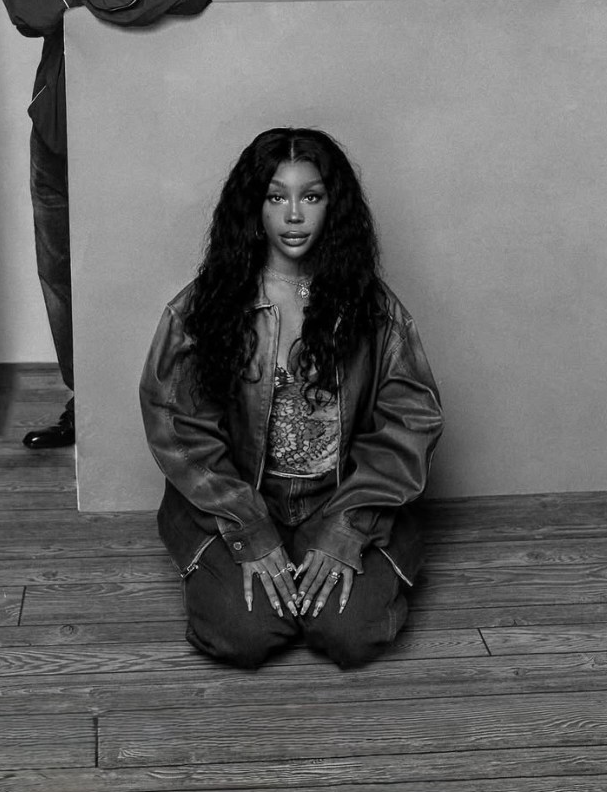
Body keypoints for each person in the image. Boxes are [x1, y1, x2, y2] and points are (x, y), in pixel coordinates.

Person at [140, 128, 444, 669]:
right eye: (276, 197)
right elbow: (178, 427)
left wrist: (348, 527)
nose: (295, 215)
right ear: (253, 207)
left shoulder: (373, 310)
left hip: (341, 496)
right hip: (242, 499)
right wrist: (250, 528)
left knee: (351, 635)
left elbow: (410, 423)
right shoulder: (203, 308)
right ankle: (266, 581)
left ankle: (323, 575)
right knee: (244, 634)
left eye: (312, 196)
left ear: (333, 205)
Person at [0, 0, 216, 449]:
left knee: (149, 271)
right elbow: (33, 6)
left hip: (137, 141)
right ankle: (90, 404)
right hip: (60, 143)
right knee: (63, 277)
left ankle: (164, 408)